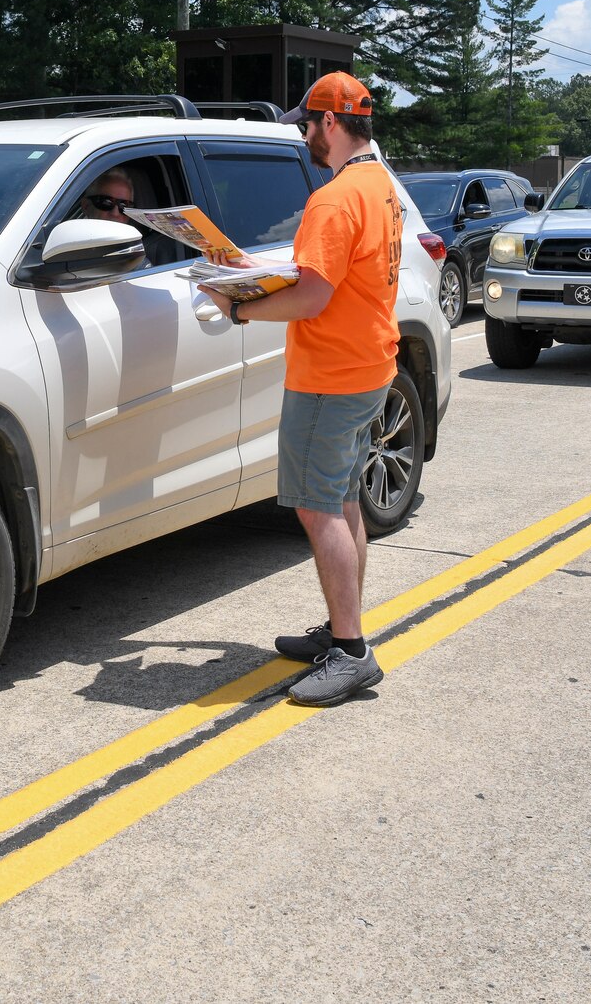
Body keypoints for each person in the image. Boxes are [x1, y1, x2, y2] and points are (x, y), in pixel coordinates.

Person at [196, 71, 401, 708]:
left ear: (331, 124)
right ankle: (347, 630)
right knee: (341, 502)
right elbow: (324, 271)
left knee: (317, 507)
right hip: (367, 367)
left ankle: (350, 652)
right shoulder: (379, 187)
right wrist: (254, 267)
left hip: (329, 378)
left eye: (308, 124)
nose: (305, 137)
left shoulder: (333, 200)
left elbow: (312, 295)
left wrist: (238, 309)